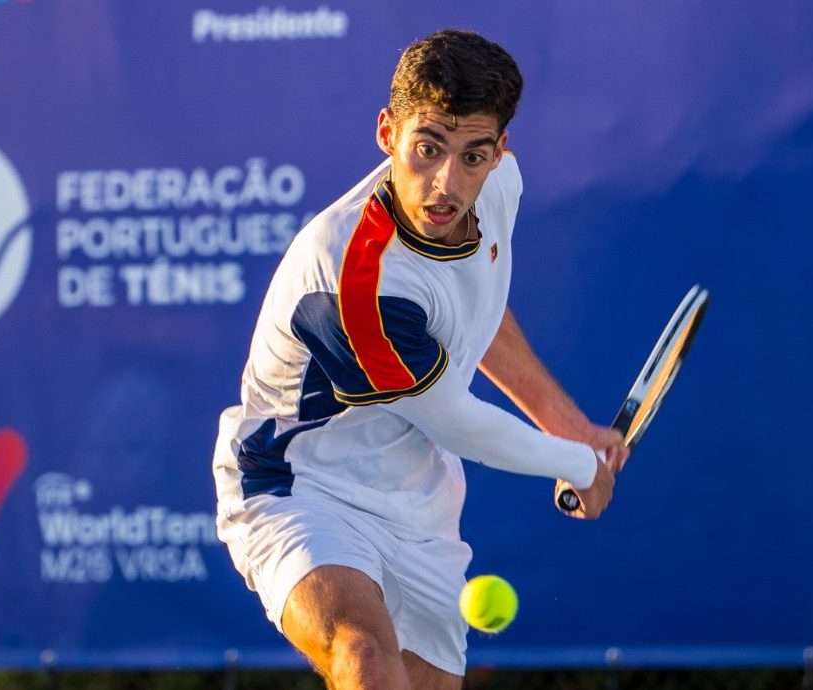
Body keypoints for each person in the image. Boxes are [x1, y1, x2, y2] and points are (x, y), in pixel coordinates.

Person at [212, 28, 628, 690]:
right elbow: (454, 421)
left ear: (500, 154)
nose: (446, 183)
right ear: (387, 133)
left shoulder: (496, 189)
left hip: (418, 501)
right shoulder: (352, 274)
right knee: (364, 658)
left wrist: (565, 423)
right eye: (428, 148)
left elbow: (473, 316)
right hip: (297, 485)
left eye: (473, 156)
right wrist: (572, 461)